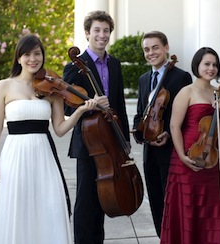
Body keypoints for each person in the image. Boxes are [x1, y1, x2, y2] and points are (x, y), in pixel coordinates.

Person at [0, 34, 97, 244]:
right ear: (18, 58)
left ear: (42, 57)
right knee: (17, 205)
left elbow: (60, 129)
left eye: (37, 54)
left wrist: (80, 110)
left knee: (48, 206)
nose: (32, 59)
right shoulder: (4, 86)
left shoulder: (51, 90)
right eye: (27, 54)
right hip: (14, 155)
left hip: (44, 155)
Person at [63, 10, 130, 244]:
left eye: (106, 30)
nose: (102, 35)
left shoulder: (115, 63)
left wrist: (125, 141)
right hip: (88, 141)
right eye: (97, 30)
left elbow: (119, 104)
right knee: (86, 201)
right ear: (87, 33)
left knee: (103, 198)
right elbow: (67, 109)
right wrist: (89, 105)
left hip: (111, 140)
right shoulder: (74, 67)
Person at [160, 47, 220, 243]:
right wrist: (182, 157)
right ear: (197, 65)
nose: (211, 68)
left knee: (213, 208)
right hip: (186, 156)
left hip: (212, 160)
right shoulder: (187, 91)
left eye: (214, 64)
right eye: (207, 64)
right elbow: (174, 126)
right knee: (187, 208)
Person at [132, 31, 192, 237]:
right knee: (156, 203)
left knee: (172, 203)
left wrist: (167, 132)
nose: (151, 53)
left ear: (166, 47)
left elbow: (187, 117)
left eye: (155, 47)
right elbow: (140, 114)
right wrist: (138, 132)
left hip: (171, 153)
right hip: (150, 154)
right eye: (146, 49)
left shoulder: (181, 77)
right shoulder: (143, 79)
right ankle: (162, 239)